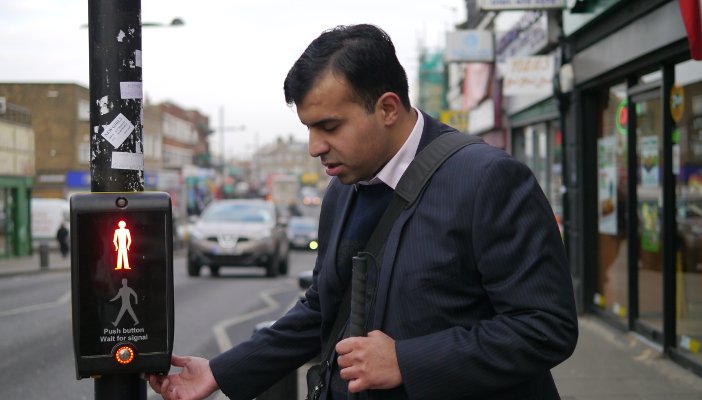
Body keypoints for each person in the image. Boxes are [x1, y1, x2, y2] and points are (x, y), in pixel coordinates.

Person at [148, 24, 578, 400]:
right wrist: (221, 372)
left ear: (387, 108)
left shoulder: (488, 180)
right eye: (309, 129)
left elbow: (545, 327)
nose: (315, 147)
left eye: (330, 127)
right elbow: (322, 307)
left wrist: (407, 362)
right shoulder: (342, 190)